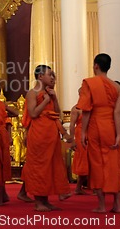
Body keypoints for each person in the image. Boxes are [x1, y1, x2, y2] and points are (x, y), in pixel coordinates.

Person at [77, 53, 120, 213]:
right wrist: (118, 134)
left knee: (97, 164)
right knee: (112, 164)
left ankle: (102, 205)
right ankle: (117, 204)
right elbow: (117, 112)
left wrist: (83, 132)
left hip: (95, 125)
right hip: (110, 126)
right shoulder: (117, 87)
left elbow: (87, 110)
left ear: (96, 65)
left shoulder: (89, 83)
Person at [21, 65, 70, 212]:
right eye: (50, 75)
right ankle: (38, 202)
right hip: (39, 132)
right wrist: (45, 100)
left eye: (53, 76)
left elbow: (57, 113)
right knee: (39, 166)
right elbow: (33, 113)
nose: (53, 78)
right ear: (40, 76)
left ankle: (46, 200)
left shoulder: (49, 93)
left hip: (51, 132)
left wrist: (53, 98)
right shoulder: (32, 93)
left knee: (51, 166)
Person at [69, 102, 89, 195]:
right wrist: (72, 140)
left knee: (93, 159)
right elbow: (72, 125)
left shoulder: (91, 106)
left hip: (91, 133)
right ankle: (78, 186)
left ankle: (93, 186)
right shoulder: (76, 108)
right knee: (83, 159)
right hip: (80, 134)